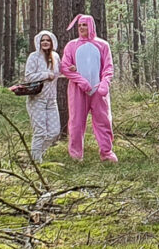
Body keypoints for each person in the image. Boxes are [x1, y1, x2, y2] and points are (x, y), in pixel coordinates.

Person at [60, 14, 117, 162]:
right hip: (78, 91)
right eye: (79, 26)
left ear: (91, 25)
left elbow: (108, 67)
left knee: (103, 121)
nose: (81, 28)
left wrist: (104, 83)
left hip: (98, 91)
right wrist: (81, 81)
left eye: (84, 25)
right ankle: (76, 155)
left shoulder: (103, 45)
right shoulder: (71, 45)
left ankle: (106, 152)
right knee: (76, 122)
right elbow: (65, 67)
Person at [23, 31, 61, 162]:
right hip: (36, 100)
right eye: (43, 40)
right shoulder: (33, 57)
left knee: (54, 132)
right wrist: (45, 75)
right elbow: (28, 77)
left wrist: (72, 69)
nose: (45, 42)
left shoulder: (55, 57)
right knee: (40, 132)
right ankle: (35, 162)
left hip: (51, 101)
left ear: (52, 42)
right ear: (38, 42)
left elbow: (60, 72)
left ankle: (37, 154)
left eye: (48, 40)